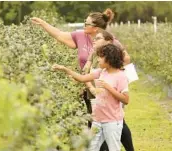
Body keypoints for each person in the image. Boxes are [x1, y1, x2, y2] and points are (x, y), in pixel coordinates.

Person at [31, 9, 134, 151]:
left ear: (96, 28)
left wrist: (111, 71)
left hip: (107, 84)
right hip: (89, 82)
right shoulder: (81, 36)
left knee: (113, 120)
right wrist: (43, 23)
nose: (84, 24)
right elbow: (60, 35)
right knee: (97, 119)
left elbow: (126, 58)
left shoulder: (109, 40)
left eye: (86, 23)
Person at [52, 44, 129, 151]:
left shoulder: (121, 76)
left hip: (112, 121)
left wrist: (109, 88)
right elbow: (82, 78)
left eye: (100, 57)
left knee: (113, 148)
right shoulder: (101, 72)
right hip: (97, 120)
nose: (97, 59)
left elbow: (126, 99)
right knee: (92, 148)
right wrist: (65, 69)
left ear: (109, 58)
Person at [83, 29, 134, 151]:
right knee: (101, 125)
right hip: (98, 90)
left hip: (110, 90)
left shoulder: (114, 53)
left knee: (114, 123)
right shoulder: (95, 52)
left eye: (98, 38)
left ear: (109, 41)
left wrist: (113, 73)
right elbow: (85, 73)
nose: (94, 40)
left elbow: (126, 59)